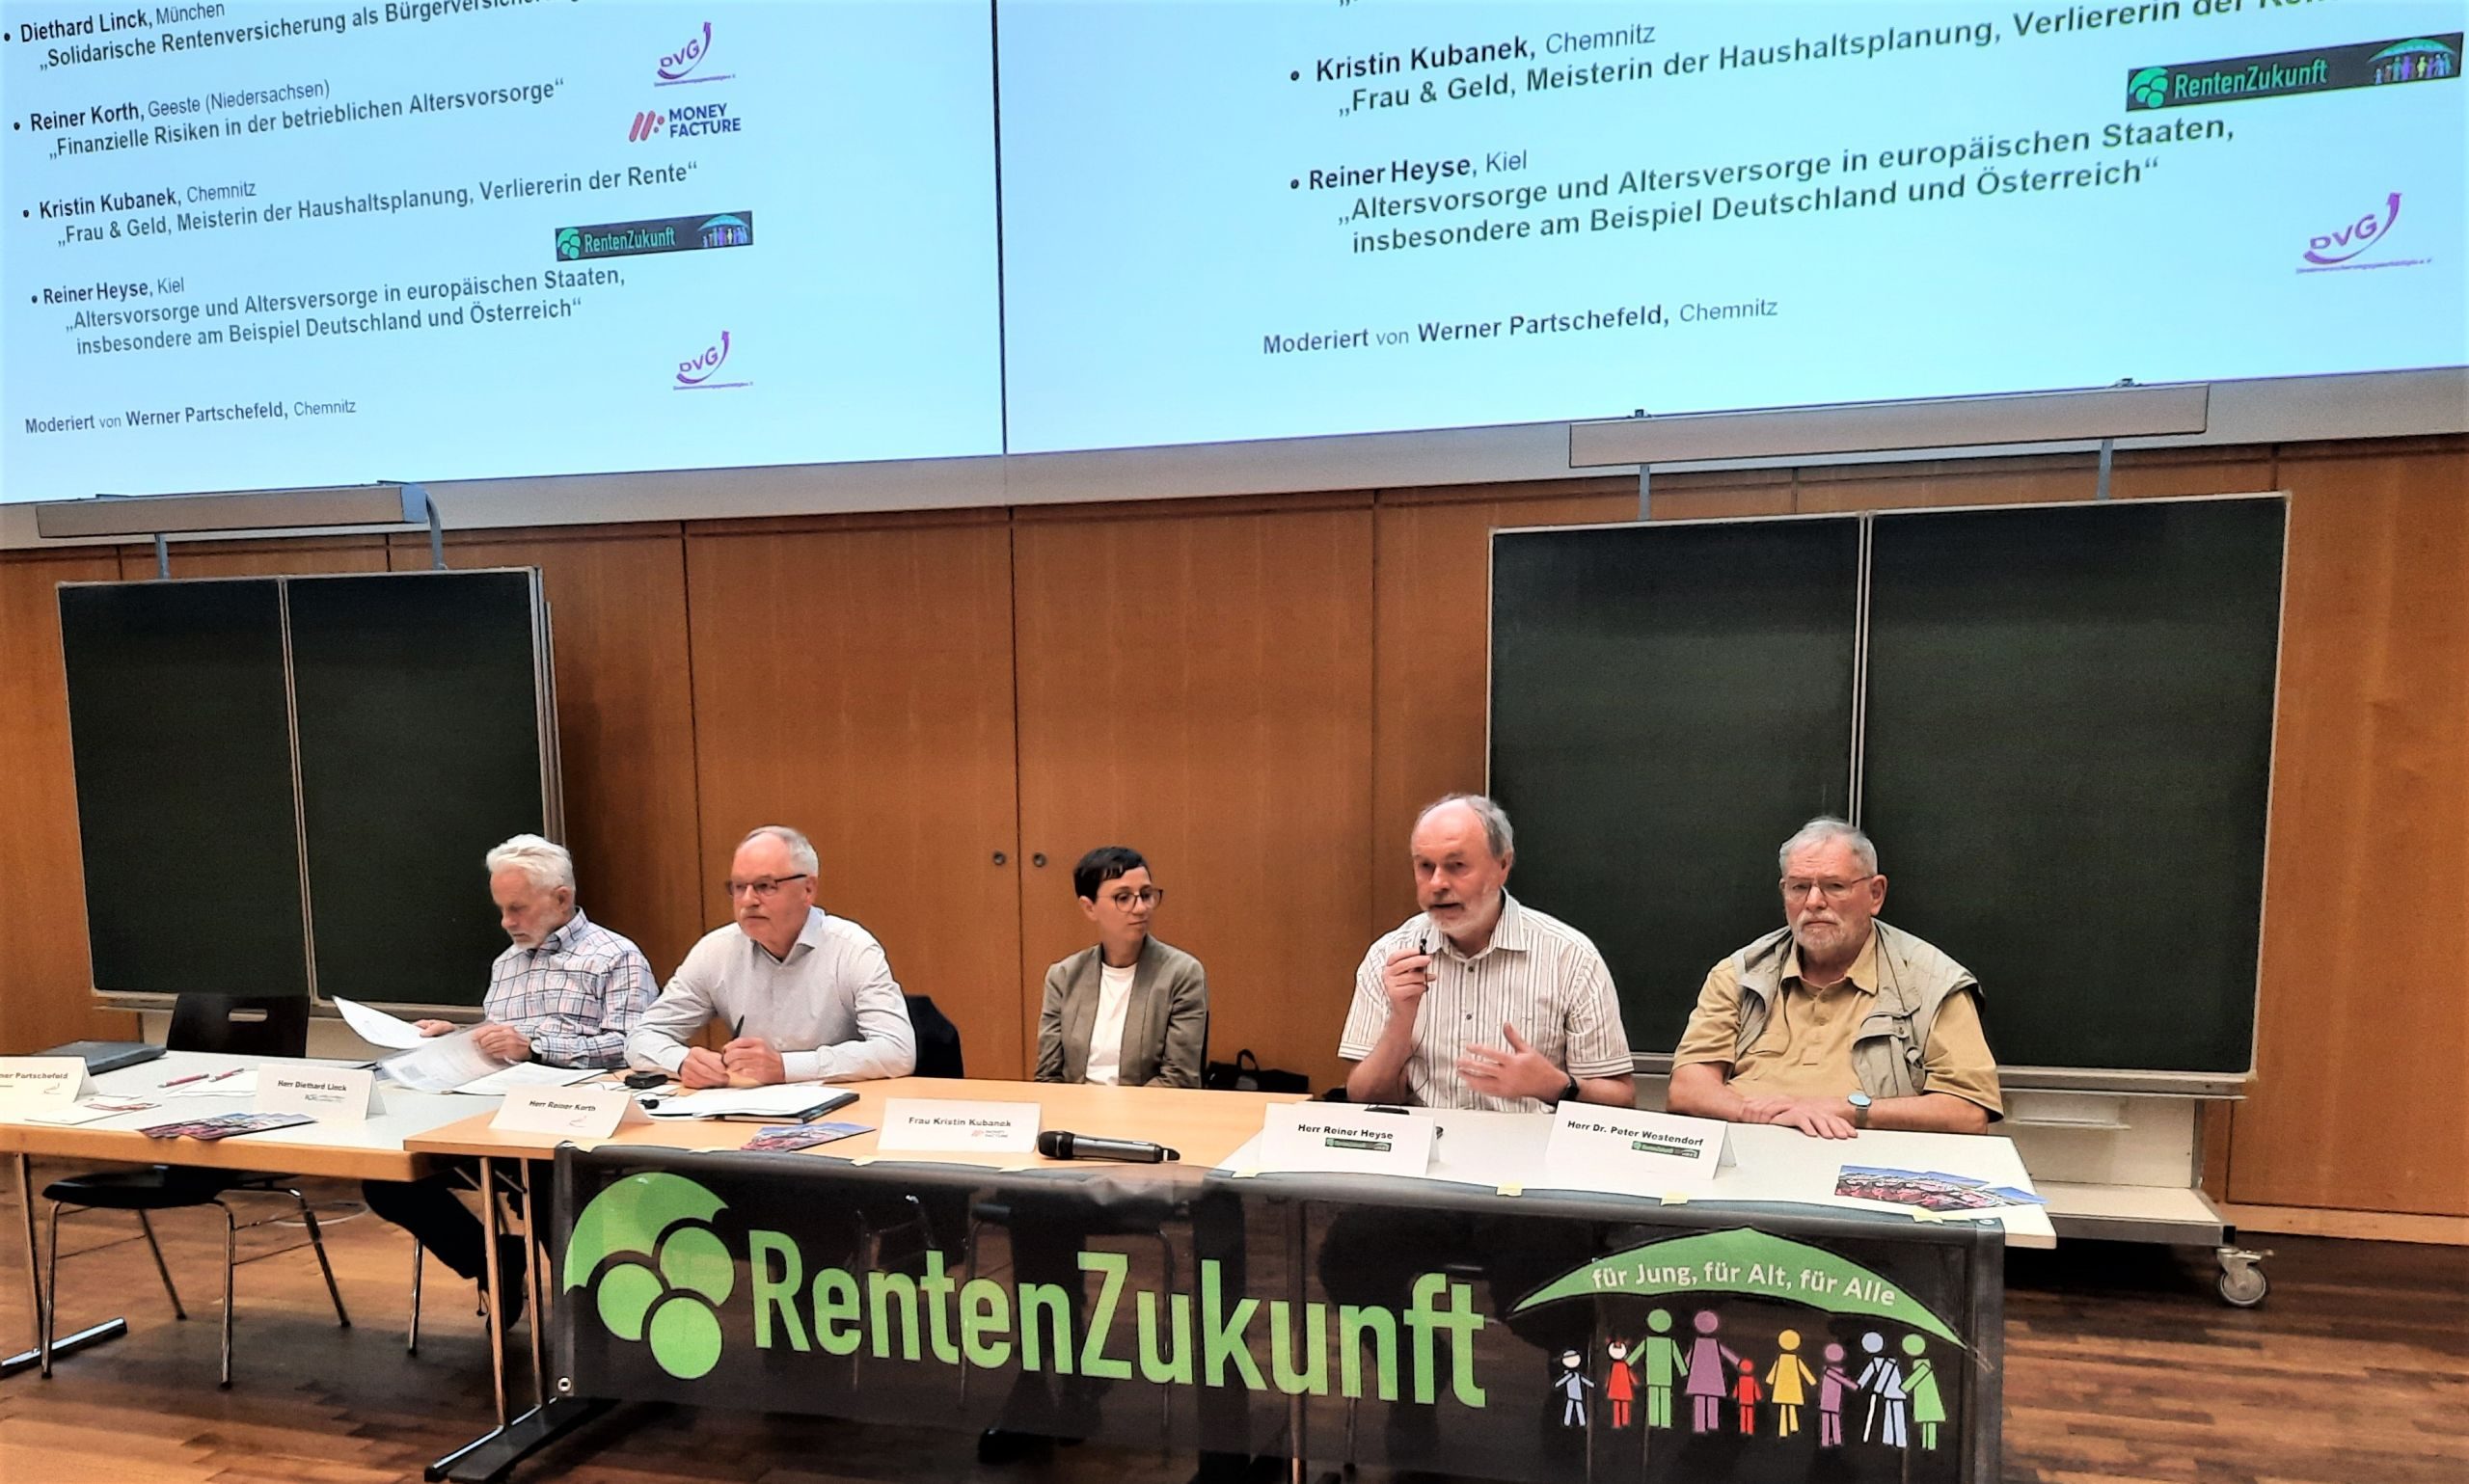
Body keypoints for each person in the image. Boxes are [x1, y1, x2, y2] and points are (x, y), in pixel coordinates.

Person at [363, 834, 657, 1317]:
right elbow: (500, 1041)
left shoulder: (615, 957)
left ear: (561, 898)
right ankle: (491, 1260)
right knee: (386, 1177)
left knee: (544, 1180)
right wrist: (458, 1038)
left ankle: (586, 1320)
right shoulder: (506, 964)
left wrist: (537, 1047)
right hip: (491, 1121)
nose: (506, 922)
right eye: (501, 909)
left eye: (517, 908)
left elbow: (636, 1050)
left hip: (568, 1128)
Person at [1667, 818, 2000, 1138]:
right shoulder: (1740, 975)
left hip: (1868, 1155)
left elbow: (1968, 1111)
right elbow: (1687, 1088)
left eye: (1834, 886)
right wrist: (1752, 1113)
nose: (1813, 902)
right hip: (1749, 1146)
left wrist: (1848, 1110)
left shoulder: (1933, 983)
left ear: (1875, 894)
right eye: (1799, 887)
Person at [1341, 794, 1634, 1110]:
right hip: (1426, 1138)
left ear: (1503, 865)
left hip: (1529, 1140)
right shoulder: (1389, 956)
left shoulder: (1570, 957)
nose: (1437, 884)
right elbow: (1363, 1097)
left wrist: (1555, 1086)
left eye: (1456, 866)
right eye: (1425, 866)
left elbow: (1621, 1100)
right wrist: (1400, 1021)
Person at [626, 824, 915, 1084]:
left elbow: (897, 1051)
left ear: (808, 889)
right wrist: (681, 1062)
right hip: (747, 1108)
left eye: (765, 886)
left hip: (843, 1109)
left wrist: (786, 1067)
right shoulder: (716, 951)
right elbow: (641, 1037)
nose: (748, 900)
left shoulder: (852, 949)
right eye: (739, 887)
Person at [1034, 846, 1208, 1088]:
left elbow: (1179, 1078)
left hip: (1149, 1108)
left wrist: (1116, 1110)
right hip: (1074, 1107)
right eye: (1123, 898)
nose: (1141, 908)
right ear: (1089, 907)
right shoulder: (1063, 977)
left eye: (1146, 895)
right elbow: (1048, 1076)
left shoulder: (1181, 974)